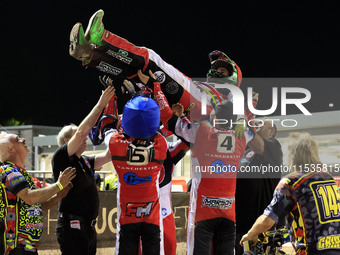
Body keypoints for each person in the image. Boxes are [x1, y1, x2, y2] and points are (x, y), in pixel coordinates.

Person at [137, 70, 254, 255]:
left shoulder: (201, 134)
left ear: (215, 118)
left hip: (203, 213)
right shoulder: (241, 137)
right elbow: (252, 126)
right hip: (228, 214)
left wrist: (155, 86)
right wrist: (246, 113)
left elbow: (167, 118)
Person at [69, 9, 243, 123]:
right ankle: (89, 54)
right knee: (134, 72)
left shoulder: (230, 96)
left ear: (233, 77)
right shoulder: (210, 90)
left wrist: (241, 119)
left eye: (221, 70)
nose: (216, 72)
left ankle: (102, 37)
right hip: (187, 105)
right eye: (216, 69)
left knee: (149, 58)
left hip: (196, 101)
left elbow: (240, 102)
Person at [240, 133, 340, 255]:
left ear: (293, 156)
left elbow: (267, 219)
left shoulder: (291, 182)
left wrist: (251, 234)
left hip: (311, 250)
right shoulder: (328, 178)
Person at [51, 85, 115, 255]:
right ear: (66, 140)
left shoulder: (84, 161)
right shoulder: (62, 157)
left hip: (87, 227)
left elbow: (109, 155)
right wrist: (100, 105)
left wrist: (116, 124)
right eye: (77, 133)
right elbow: (81, 132)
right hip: (72, 227)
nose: (85, 136)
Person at [102, 95, 167, 255]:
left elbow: (106, 127)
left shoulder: (116, 144)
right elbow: (159, 130)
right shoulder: (161, 146)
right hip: (151, 217)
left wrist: (111, 100)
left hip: (127, 217)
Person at [0, 131, 76, 255]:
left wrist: (58, 196)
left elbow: (36, 206)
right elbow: (29, 198)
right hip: (15, 247)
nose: (23, 139)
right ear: (10, 148)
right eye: (18, 139)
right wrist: (58, 185)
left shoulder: (22, 174)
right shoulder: (8, 170)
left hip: (28, 246)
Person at [235, 119, 283, 255]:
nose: (256, 125)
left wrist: (243, 125)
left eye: (261, 124)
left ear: (271, 132)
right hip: (241, 221)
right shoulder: (246, 149)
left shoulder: (273, 145)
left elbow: (257, 145)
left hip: (261, 224)